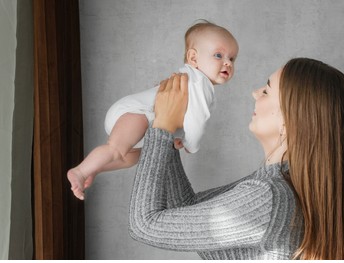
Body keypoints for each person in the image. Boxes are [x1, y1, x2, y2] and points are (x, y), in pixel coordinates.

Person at [128, 58, 344, 260]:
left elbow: (144, 225)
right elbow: (186, 210)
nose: (254, 93)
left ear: (289, 122)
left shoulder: (269, 197)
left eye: (266, 91)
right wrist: (169, 133)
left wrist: (160, 128)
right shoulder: (280, 185)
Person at [67, 21, 239, 200]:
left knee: (131, 158)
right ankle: (79, 171)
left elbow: (180, 115)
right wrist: (191, 145)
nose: (227, 63)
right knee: (116, 149)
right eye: (218, 55)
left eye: (232, 58)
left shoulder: (191, 78)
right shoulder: (200, 82)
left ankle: (94, 167)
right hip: (136, 113)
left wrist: (178, 138)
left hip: (140, 121)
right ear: (193, 58)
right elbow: (196, 119)